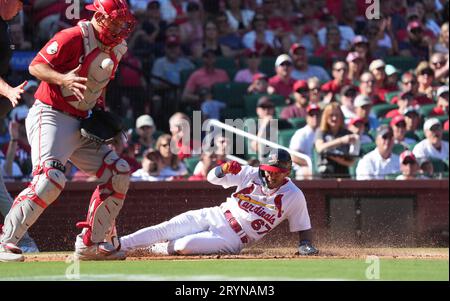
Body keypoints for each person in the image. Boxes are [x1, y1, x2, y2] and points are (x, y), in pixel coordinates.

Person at [0, 0, 136, 262]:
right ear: (98, 16)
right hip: (50, 114)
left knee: (118, 172)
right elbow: (35, 66)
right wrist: (63, 78)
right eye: (115, 20)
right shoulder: (73, 36)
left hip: (81, 120)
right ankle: (5, 241)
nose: (120, 26)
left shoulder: (118, 47)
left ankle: (91, 244)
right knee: (50, 179)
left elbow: (99, 84)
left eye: (123, 21)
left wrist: (100, 116)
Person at [119, 148, 319, 256]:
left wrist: (305, 244)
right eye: (268, 169)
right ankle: (117, 245)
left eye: (276, 172)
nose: (270, 175)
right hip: (216, 214)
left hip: (233, 239)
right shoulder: (250, 173)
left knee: (184, 245)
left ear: (287, 172)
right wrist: (222, 169)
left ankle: (150, 250)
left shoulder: (294, 195)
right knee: (164, 229)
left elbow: (303, 227)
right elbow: (211, 178)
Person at [0, 0, 40, 257]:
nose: (22, 8)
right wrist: (8, 90)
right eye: (20, 2)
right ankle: (22, 238)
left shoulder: (4, 27)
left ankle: (21, 238)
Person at [314, 103, 358, 179]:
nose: (334, 118)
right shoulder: (321, 132)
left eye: (337, 115)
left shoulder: (347, 134)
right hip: (325, 170)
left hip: (343, 170)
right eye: (331, 115)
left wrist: (335, 158)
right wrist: (341, 140)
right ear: (326, 117)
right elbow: (320, 148)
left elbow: (351, 162)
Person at [289, 104, 321, 179]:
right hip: (302, 168)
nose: (315, 117)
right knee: (311, 172)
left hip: (320, 167)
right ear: (307, 117)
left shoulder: (323, 132)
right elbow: (294, 156)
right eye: (311, 115)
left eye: (317, 115)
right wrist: (312, 165)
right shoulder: (301, 133)